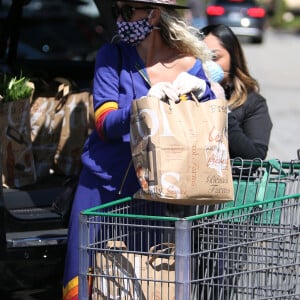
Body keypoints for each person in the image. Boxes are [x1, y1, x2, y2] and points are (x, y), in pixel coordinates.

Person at [62, 1, 218, 299]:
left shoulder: (191, 65)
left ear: (154, 14)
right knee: (83, 281)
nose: (119, 19)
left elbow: (210, 127)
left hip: (148, 193)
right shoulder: (113, 56)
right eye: (117, 11)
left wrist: (203, 93)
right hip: (100, 185)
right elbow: (105, 122)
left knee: (138, 283)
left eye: (127, 11)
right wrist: (144, 107)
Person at [201, 24, 273, 160]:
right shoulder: (186, 96)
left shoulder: (253, 103)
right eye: (201, 58)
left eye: (214, 57)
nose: (207, 64)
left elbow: (253, 159)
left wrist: (222, 111)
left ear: (233, 57)